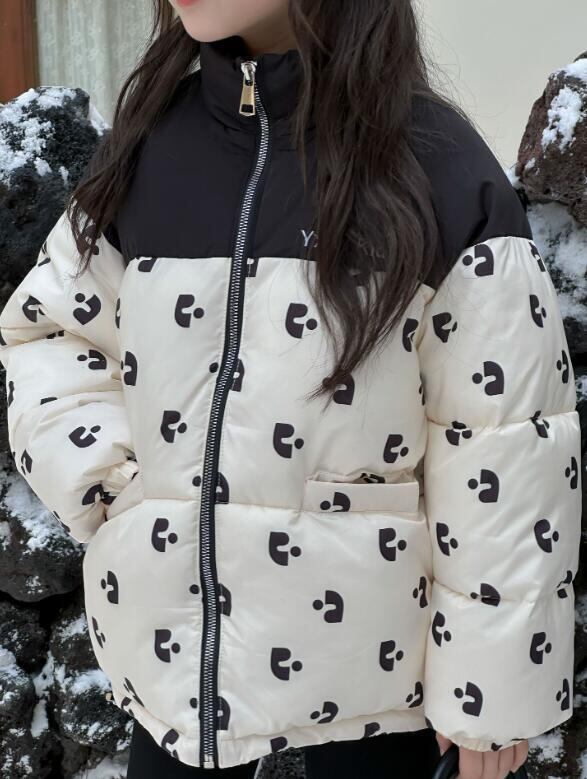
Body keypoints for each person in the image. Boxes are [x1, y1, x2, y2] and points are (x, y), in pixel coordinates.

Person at [0, 0, 581, 777]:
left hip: (370, 711)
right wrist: (121, 490)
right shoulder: (153, 150)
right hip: (177, 700)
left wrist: (490, 693)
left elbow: (504, 446)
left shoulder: (439, 172)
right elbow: (52, 330)